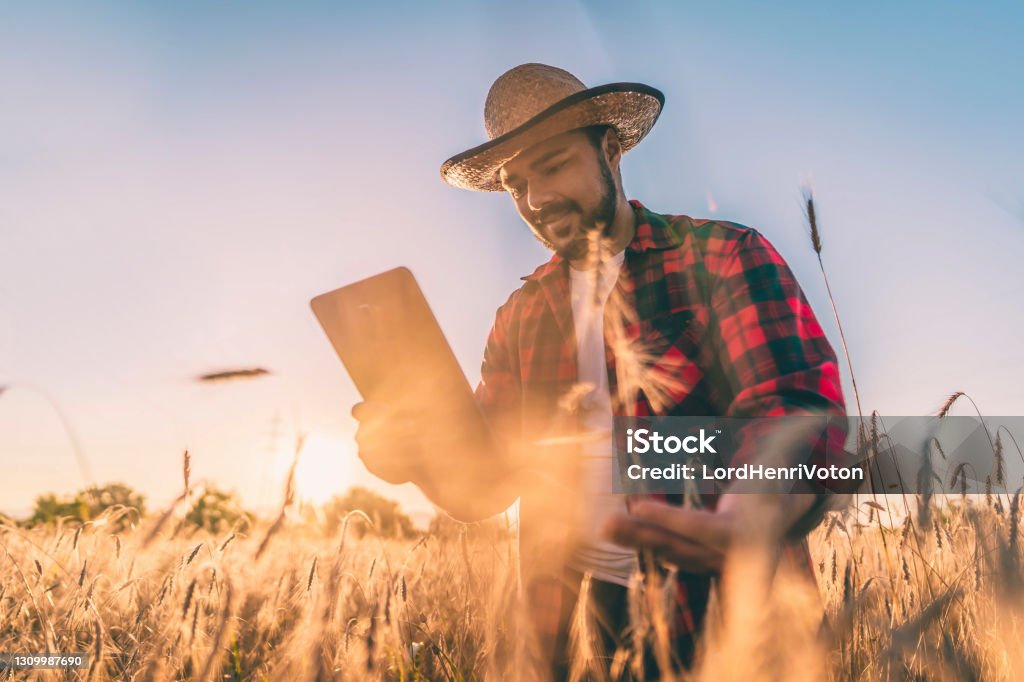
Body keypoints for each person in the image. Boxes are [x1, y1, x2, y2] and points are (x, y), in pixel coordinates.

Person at [352, 63, 855, 679]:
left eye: (555, 164)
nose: (536, 200)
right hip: (581, 618)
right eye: (517, 185)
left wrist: (752, 509)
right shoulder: (521, 316)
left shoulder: (721, 255)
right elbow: (485, 485)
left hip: (728, 602)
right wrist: (415, 461)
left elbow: (796, 406)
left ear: (610, 149)